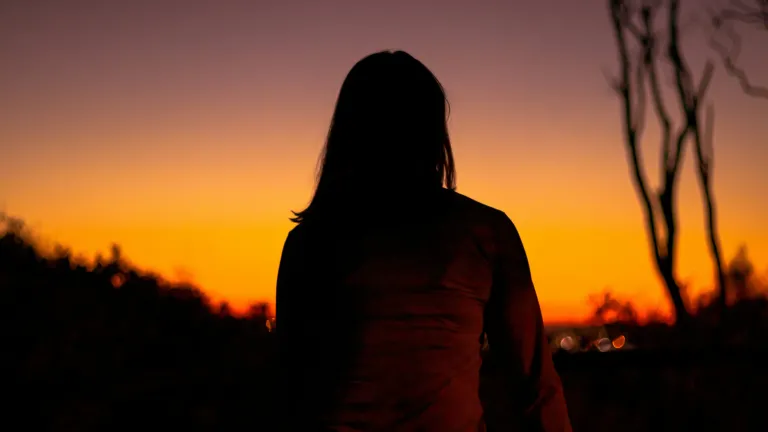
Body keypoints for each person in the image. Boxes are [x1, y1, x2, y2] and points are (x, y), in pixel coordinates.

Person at [275, 50, 571, 432]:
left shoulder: (308, 241)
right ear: (433, 133)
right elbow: (535, 388)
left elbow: (290, 387)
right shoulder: (485, 232)